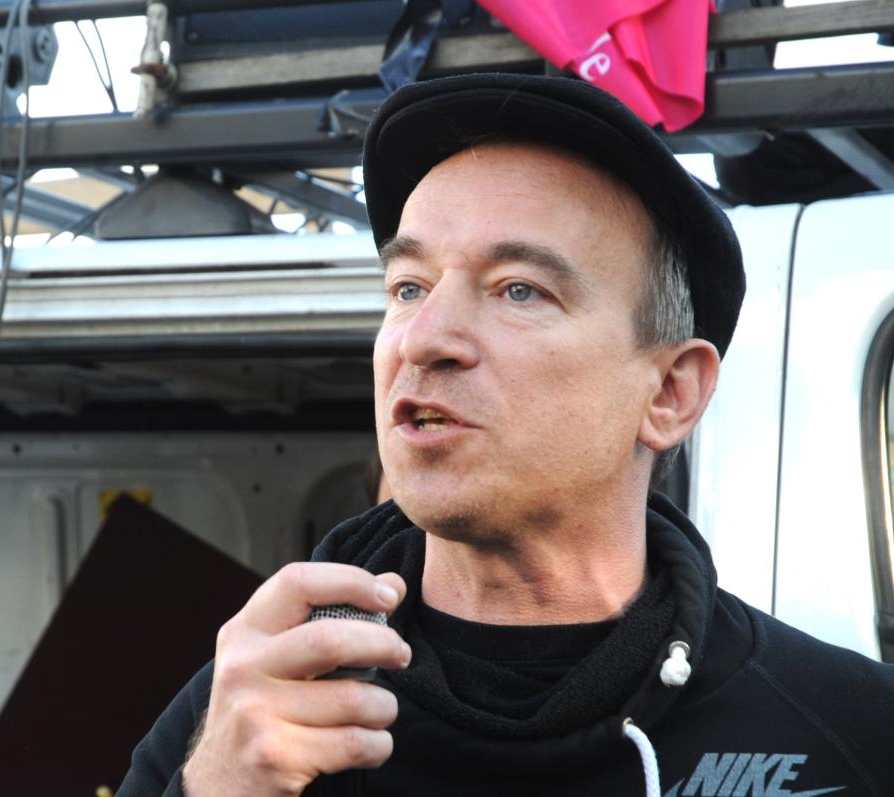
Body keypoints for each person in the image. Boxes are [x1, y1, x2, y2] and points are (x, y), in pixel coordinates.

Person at [118, 73, 894, 797]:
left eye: (519, 289)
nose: (424, 338)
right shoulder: (252, 708)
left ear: (669, 392)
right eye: (408, 286)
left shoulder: (848, 730)